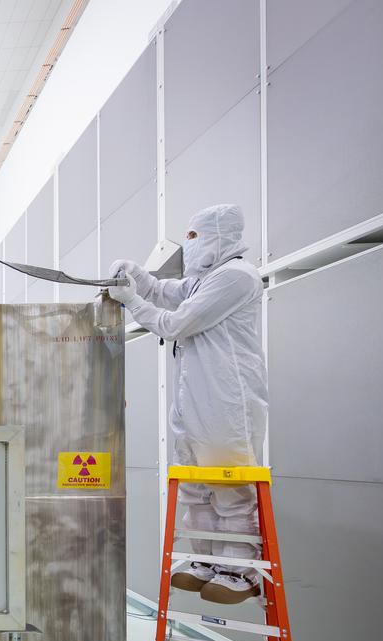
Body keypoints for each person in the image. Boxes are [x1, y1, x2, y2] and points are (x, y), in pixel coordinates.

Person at [107, 204, 267, 605]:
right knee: (195, 485)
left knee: (228, 484)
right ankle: (205, 560)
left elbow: (176, 323)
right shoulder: (203, 280)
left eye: (195, 236)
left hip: (227, 397)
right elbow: (167, 291)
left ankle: (239, 571)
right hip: (194, 395)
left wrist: (131, 302)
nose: (190, 244)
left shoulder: (235, 277)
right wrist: (141, 278)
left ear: (220, 235)